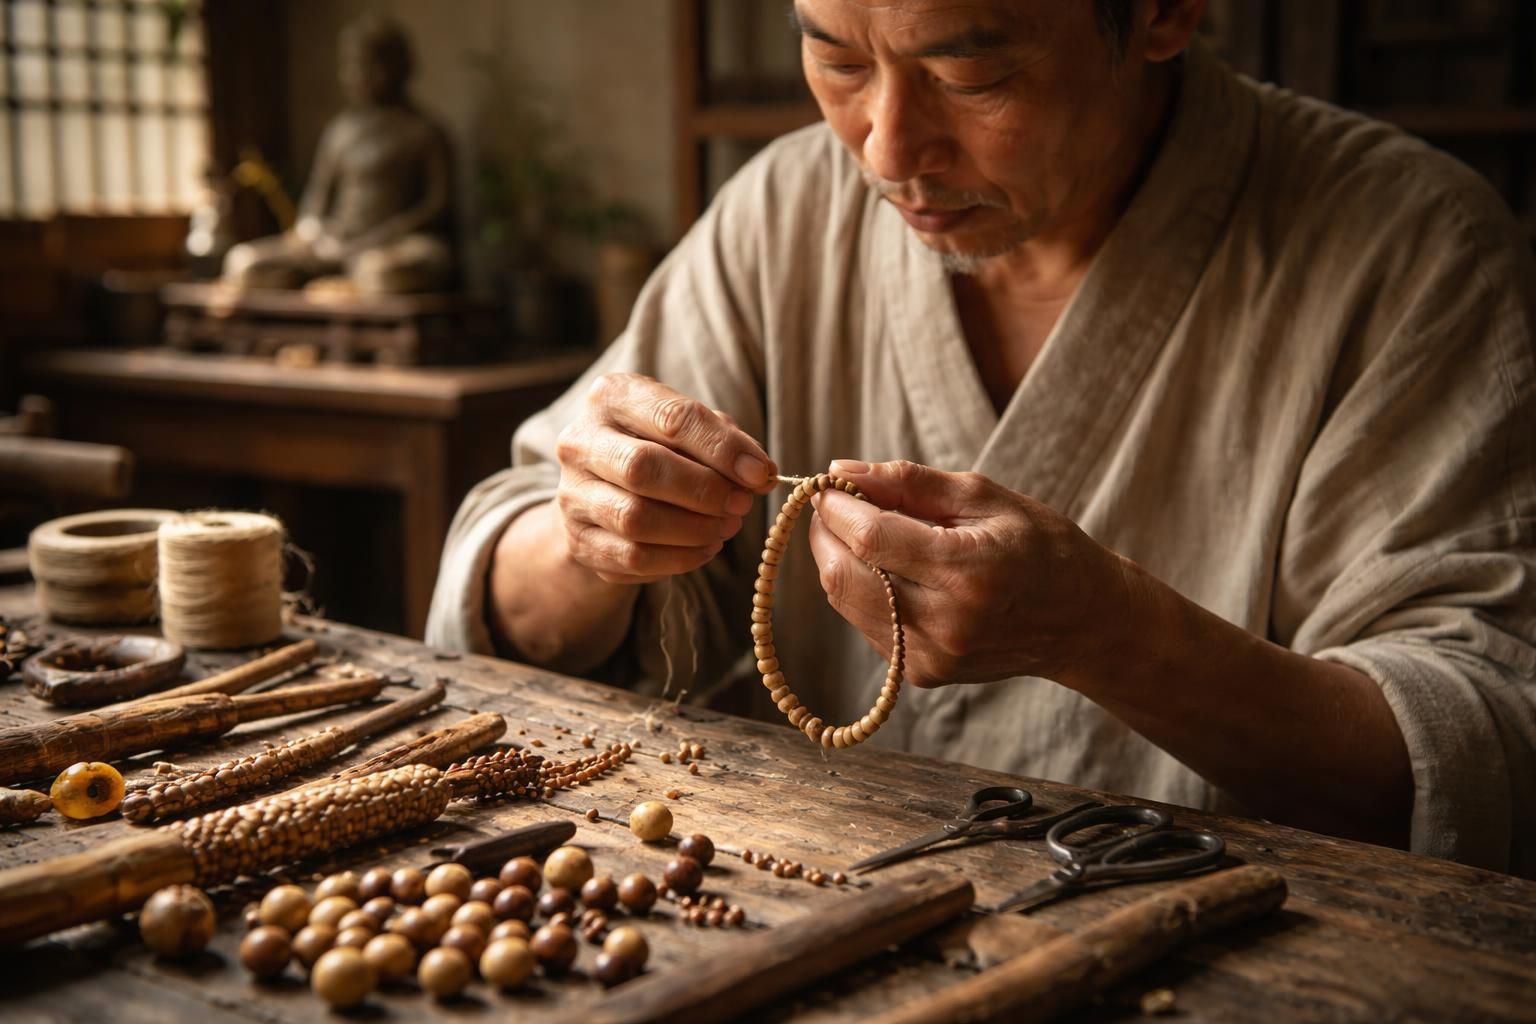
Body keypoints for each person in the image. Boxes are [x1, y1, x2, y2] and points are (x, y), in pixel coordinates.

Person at [427, 0, 1536, 875]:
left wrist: (1110, 634)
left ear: (1164, 11)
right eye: (838, 60)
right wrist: (593, 539)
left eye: (972, 73)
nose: (888, 148)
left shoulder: (1411, 251)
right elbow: (508, 574)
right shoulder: (783, 214)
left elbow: (1477, 760)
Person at [223, 15, 454, 295]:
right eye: (354, 64)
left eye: (372, 64)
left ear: (400, 66)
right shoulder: (340, 131)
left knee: (382, 272)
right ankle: (332, 281)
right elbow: (316, 201)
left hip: (395, 245)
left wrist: (380, 238)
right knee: (244, 263)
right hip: (338, 243)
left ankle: (347, 279)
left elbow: (437, 206)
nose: (362, 75)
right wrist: (314, 232)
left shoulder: (423, 130)